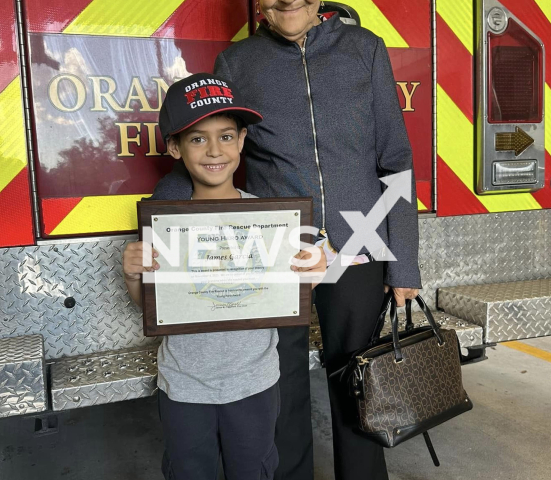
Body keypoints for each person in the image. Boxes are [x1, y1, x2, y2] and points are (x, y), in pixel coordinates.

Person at [151, 2, 422, 479]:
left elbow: (395, 158)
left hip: (360, 245)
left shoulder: (365, 49)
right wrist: (163, 222)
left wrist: (404, 263)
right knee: (283, 385)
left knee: (359, 382)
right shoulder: (238, 63)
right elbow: (209, 152)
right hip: (276, 253)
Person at [122, 72, 326, 480]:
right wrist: (132, 274)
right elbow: (148, 305)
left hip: (255, 383)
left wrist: (313, 275)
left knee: (254, 470)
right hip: (183, 384)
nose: (215, 150)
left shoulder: (274, 223)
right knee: (188, 471)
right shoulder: (163, 225)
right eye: (198, 139)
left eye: (227, 136)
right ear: (176, 148)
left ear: (242, 142)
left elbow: (291, 291)